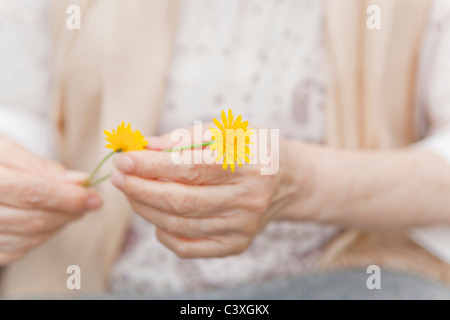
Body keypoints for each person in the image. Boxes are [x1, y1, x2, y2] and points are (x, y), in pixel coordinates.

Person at [0, 0, 449, 297]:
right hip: (93, 278)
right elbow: (18, 109)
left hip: (345, 276)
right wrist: (16, 179)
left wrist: (301, 180)